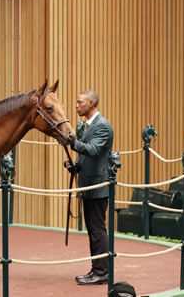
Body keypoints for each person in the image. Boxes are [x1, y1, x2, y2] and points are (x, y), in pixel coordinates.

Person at [64, 89, 114, 285]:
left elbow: (93, 150)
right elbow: (86, 155)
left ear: (91, 103)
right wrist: (75, 165)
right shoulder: (85, 126)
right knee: (93, 230)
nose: (76, 105)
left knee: (97, 230)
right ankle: (97, 269)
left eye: (80, 102)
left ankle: (102, 272)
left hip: (98, 186)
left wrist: (72, 142)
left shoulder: (103, 126)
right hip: (88, 186)